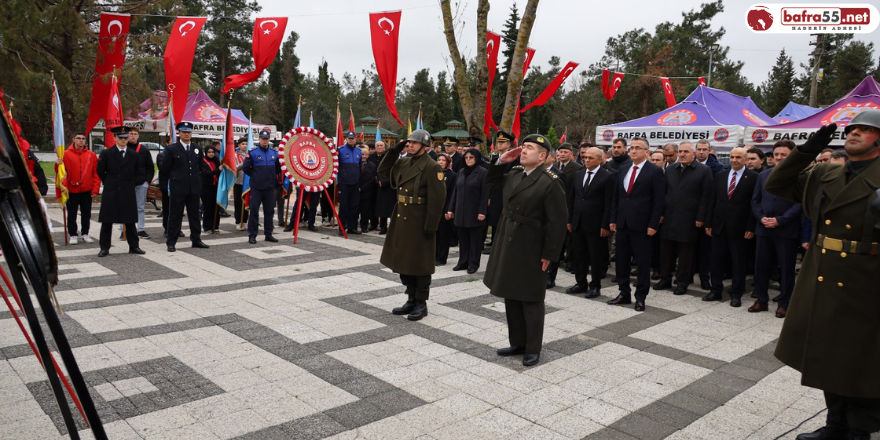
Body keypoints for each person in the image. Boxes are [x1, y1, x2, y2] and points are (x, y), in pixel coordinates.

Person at [764, 111, 880, 440]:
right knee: (830, 355)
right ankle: (835, 425)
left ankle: (860, 430)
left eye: (867, 129)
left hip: (867, 280)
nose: (855, 133)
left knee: (863, 359)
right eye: (853, 128)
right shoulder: (826, 173)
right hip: (824, 274)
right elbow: (777, 183)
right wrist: (805, 152)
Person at [484, 134, 567, 366]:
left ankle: (533, 348)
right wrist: (501, 161)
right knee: (511, 294)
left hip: (531, 245)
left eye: (530, 148)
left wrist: (550, 254)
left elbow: (558, 223)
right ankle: (517, 343)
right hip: (508, 241)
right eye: (524, 147)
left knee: (530, 298)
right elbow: (490, 183)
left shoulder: (550, 181)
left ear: (542, 157)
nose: (523, 150)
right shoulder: (514, 174)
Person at [377, 129, 446, 321]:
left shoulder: (432, 167)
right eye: (409, 142)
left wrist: (430, 226)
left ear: (425, 146)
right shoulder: (403, 161)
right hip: (402, 218)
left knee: (420, 264)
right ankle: (410, 298)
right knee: (403, 261)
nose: (411, 145)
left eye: (415, 143)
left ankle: (421, 303)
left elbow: (438, 199)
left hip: (419, 220)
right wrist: (394, 151)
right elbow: (382, 171)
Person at [608, 137, 665, 312]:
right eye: (631, 148)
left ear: (646, 152)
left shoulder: (654, 171)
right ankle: (624, 293)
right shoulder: (624, 169)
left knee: (642, 263)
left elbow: (658, 201)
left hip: (642, 225)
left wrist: (653, 224)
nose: (633, 151)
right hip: (623, 223)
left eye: (638, 148)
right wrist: (613, 218)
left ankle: (640, 297)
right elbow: (617, 197)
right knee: (622, 261)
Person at [750, 140, 802, 317]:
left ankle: (785, 303)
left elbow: (800, 204)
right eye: (776, 154)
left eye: (783, 154)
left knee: (786, 269)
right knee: (761, 267)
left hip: (785, 230)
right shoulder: (763, 175)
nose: (779, 157)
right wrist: (761, 217)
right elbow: (755, 200)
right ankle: (761, 300)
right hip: (763, 228)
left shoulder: (799, 176)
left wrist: (780, 220)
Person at [653, 142, 713, 295]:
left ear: (693, 154)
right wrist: (660, 213)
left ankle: (682, 282)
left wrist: (701, 217)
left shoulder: (704, 170)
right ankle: (665, 278)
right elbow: (663, 193)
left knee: (685, 255)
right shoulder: (671, 169)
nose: (682, 154)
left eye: (686, 151)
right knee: (665, 251)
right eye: (680, 151)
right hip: (669, 218)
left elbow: (706, 197)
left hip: (689, 219)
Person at [703, 147, 758, 305]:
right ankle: (716, 290)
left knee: (738, 262)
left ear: (745, 159)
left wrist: (750, 227)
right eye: (732, 157)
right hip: (719, 226)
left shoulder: (753, 177)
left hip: (740, 229)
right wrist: (709, 222)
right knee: (716, 260)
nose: (734, 160)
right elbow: (712, 200)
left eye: (738, 157)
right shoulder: (721, 175)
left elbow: (753, 204)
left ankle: (736, 293)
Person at [566, 146, 615, 299]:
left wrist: (605, 224)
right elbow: (572, 198)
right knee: (579, 255)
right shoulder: (578, 174)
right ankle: (581, 282)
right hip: (578, 222)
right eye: (585, 157)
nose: (586, 160)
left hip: (596, 225)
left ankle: (595, 286)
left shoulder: (608, 177)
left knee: (596, 257)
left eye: (590, 158)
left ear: (600, 159)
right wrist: (570, 219)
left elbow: (609, 203)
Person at [160, 122, 210, 252]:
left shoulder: (197, 148)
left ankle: (196, 239)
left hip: (194, 188)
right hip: (178, 188)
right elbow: (164, 169)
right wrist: (166, 186)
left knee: (194, 215)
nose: (186, 134)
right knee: (175, 216)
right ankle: (171, 242)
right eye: (184, 132)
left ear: (191, 133)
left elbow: (201, 167)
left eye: (188, 132)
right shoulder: (172, 149)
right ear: (179, 133)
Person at [96, 126, 144, 257]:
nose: (123, 140)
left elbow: (139, 172)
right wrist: (109, 181)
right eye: (120, 138)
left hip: (127, 189)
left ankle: (134, 246)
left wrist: (132, 182)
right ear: (114, 138)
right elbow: (100, 170)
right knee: (107, 220)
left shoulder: (133, 154)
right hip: (111, 189)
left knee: (129, 220)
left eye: (125, 138)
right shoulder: (106, 153)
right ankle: (104, 248)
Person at [446, 148, 489, 274]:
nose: (468, 160)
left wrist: (482, 212)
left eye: (471, 157)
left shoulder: (482, 172)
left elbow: (485, 194)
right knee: (463, 239)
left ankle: (473, 263)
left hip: (475, 212)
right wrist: (451, 209)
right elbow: (455, 192)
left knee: (475, 240)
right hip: (461, 211)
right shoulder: (461, 172)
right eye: (466, 157)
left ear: (476, 158)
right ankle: (463, 262)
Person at [55, 131, 99, 244]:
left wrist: (95, 189)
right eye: (78, 138)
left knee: (86, 213)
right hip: (71, 190)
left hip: (86, 190)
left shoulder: (91, 155)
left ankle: (85, 233)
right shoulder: (65, 154)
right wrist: (57, 164)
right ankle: (73, 234)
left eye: (83, 138)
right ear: (73, 140)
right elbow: (60, 172)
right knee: (72, 213)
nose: (81, 140)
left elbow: (95, 173)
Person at [242, 129, 282, 244]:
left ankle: (268, 234)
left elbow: (278, 168)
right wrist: (255, 176)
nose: (265, 141)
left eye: (267, 139)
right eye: (263, 139)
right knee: (254, 211)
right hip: (257, 188)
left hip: (270, 187)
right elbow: (246, 168)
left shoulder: (274, 153)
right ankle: (252, 234)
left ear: (269, 139)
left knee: (269, 212)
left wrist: (271, 177)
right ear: (259, 139)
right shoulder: (253, 152)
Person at [484, 130, 518, 254]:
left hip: (506, 192)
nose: (500, 144)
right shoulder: (494, 158)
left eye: (503, 142)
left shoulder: (514, 158)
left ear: (509, 145)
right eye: (499, 142)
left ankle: (501, 245)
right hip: (495, 193)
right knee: (494, 218)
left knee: (503, 219)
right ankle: (494, 243)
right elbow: (490, 178)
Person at [123, 127, 154, 239]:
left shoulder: (144, 150)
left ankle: (141, 229)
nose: (132, 136)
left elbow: (150, 167)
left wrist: (147, 181)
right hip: (126, 183)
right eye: (130, 134)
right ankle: (124, 230)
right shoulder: (123, 148)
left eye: (135, 134)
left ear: (138, 136)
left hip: (141, 183)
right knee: (125, 207)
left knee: (140, 207)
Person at [337, 131, 362, 235]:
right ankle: (342, 228)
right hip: (344, 183)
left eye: (353, 138)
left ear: (355, 139)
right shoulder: (341, 150)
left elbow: (359, 167)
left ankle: (352, 227)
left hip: (355, 183)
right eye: (349, 138)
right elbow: (336, 166)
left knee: (354, 206)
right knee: (343, 206)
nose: (351, 140)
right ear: (346, 139)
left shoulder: (358, 151)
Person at [435, 153, 457, 265]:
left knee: (444, 236)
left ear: (448, 162)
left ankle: (441, 258)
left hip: (445, 209)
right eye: (439, 160)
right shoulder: (434, 174)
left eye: (443, 160)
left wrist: (450, 210)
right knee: (435, 235)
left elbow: (453, 194)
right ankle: (434, 256)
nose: (441, 162)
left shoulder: (452, 175)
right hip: (434, 210)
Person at [371, 141, 395, 234]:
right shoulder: (372, 157)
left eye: (381, 145)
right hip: (373, 185)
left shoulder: (388, 158)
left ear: (384, 148)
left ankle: (384, 226)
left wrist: (383, 180)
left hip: (385, 185)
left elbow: (391, 171)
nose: (379, 147)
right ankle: (373, 224)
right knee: (374, 206)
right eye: (377, 146)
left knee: (385, 207)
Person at [200, 145, 222, 233]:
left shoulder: (216, 161)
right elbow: (205, 173)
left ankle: (215, 226)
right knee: (208, 207)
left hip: (216, 187)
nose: (211, 154)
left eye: (212, 152)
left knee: (216, 207)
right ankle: (207, 227)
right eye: (209, 152)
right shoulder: (202, 161)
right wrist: (217, 170)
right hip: (206, 187)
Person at [358, 146, 377, 233]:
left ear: (368, 156)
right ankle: (353, 225)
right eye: (362, 154)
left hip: (367, 192)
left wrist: (362, 188)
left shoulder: (372, 166)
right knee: (355, 210)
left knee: (365, 211)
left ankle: (364, 226)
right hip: (356, 191)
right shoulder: (355, 164)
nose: (364, 156)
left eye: (366, 155)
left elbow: (372, 180)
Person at [233, 137, 249, 230]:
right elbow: (235, 168)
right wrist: (245, 163)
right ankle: (238, 221)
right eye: (242, 144)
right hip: (238, 182)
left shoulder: (250, 155)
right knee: (238, 203)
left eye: (246, 144)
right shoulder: (235, 155)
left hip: (248, 183)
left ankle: (245, 221)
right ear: (238, 145)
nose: (245, 146)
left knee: (246, 202)